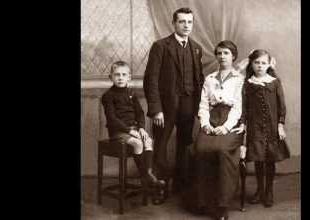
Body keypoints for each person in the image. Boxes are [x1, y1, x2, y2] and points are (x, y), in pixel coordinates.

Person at [143, 7, 204, 205]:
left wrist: (200, 107)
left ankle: (180, 183)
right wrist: (156, 109)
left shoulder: (196, 48)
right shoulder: (161, 46)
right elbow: (150, 80)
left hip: (189, 104)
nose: (186, 25)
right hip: (165, 107)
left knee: (185, 145)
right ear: (174, 23)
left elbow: (199, 79)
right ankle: (160, 187)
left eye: (189, 22)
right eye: (182, 22)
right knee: (160, 146)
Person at [186, 40, 246, 220]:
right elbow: (203, 105)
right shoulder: (210, 79)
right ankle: (203, 201)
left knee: (221, 150)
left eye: (226, 53)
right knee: (199, 149)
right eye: (219, 53)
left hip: (231, 122)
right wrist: (206, 124)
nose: (222, 56)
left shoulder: (239, 80)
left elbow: (238, 107)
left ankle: (222, 205)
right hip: (212, 119)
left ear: (233, 56)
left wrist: (226, 127)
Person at [101, 61, 166, 191]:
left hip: (134, 129)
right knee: (138, 143)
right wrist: (130, 131)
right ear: (111, 77)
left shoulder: (132, 93)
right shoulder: (108, 96)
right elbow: (112, 119)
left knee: (148, 141)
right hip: (118, 132)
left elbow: (139, 113)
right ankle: (146, 176)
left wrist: (141, 128)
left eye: (124, 74)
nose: (120, 77)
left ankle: (147, 175)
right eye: (117, 74)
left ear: (129, 77)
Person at [242, 49, 290, 207]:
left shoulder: (275, 82)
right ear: (251, 63)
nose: (260, 66)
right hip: (255, 127)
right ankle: (259, 190)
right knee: (258, 158)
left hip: (271, 127)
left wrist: (280, 126)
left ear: (269, 64)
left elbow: (281, 107)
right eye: (256, 62)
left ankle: (269, 191)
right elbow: (244, 107)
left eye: (263, 63)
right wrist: (243, 124)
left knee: (269, 159)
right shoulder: (248, 84)